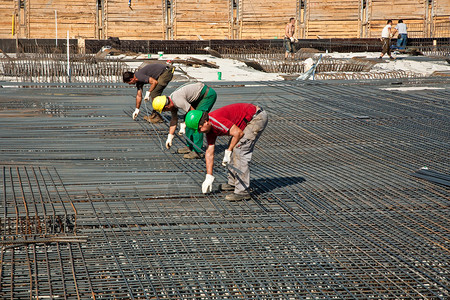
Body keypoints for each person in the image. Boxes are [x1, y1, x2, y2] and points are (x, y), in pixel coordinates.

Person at [185, 103, 268, 201]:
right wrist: (209, 176)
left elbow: (238, 133)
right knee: (234, 147)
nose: (199, 132)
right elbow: (209, 152)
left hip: (256, 118)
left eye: (199, 129)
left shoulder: (215, 121)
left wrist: (228, 151)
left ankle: (243, 191)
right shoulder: (209, 130)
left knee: (239, 150)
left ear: (206, 122)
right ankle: (233, 183)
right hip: (247, 120)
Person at [152, 82, 217, 159]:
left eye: (164, 110)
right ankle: (189, 146)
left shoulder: (177, 100)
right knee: (188, 119)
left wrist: (184, 124)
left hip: (207, 95)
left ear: (166, 106)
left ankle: (197, 152)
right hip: (198, 97)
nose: (165, 112)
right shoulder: (171, 103)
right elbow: (174, 120)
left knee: (196, 122)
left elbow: (194, 114)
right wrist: (170, 137)